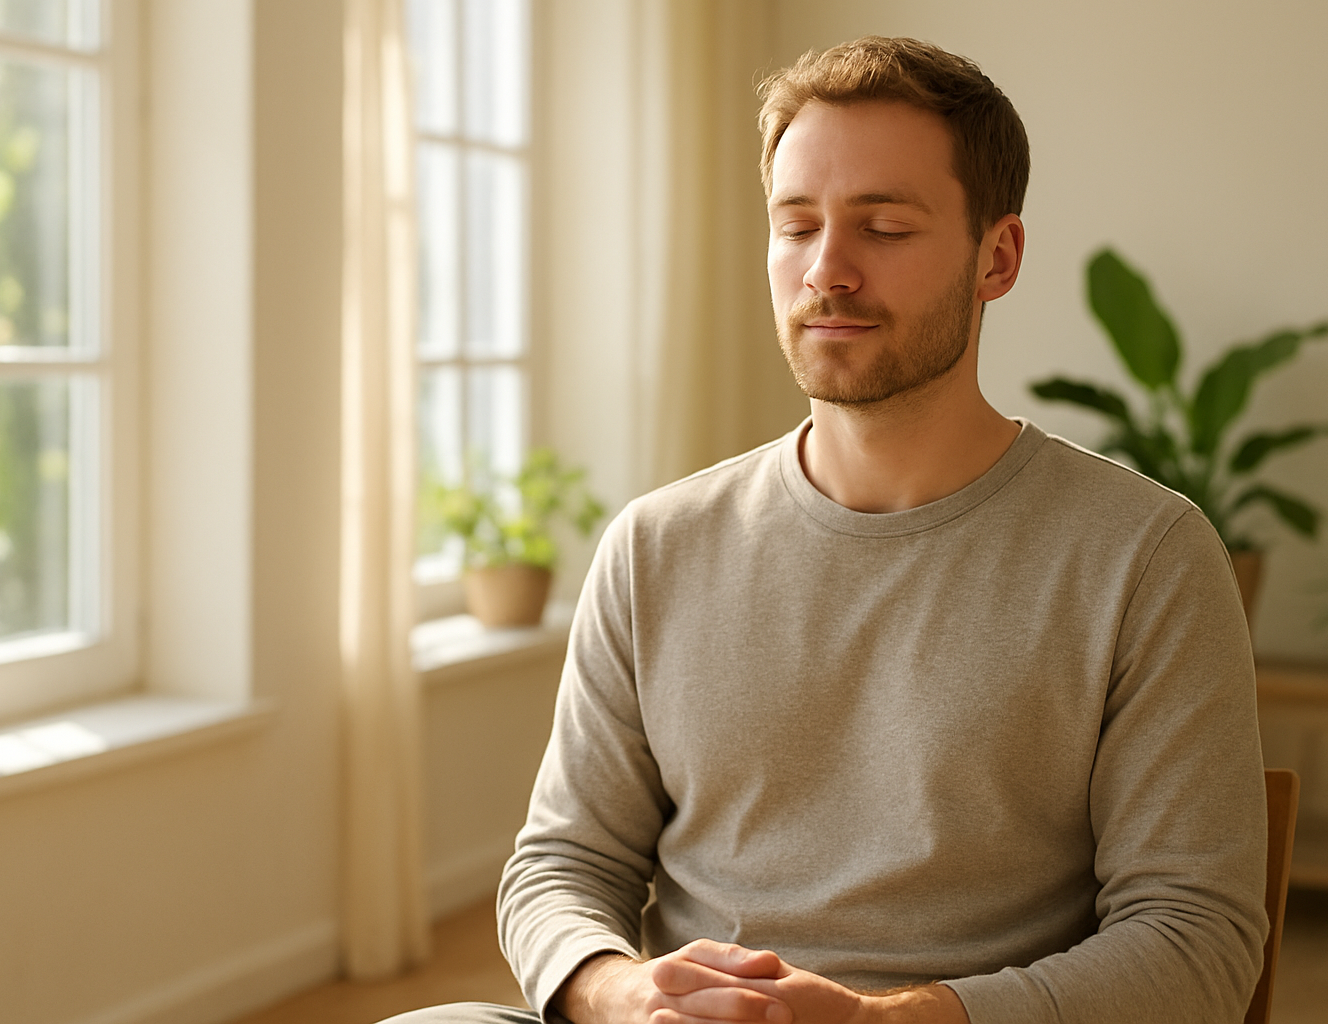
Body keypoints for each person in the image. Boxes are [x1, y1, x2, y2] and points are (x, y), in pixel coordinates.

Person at [386, 35, 1267, 1024]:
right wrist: (619, 989)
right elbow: (561, 864)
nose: (828, 270)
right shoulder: (653, 547)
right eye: (796, 225)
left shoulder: (1145, 557)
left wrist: (885, 1022)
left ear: (998, 256)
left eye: (884, 227)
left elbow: (1197, 943)